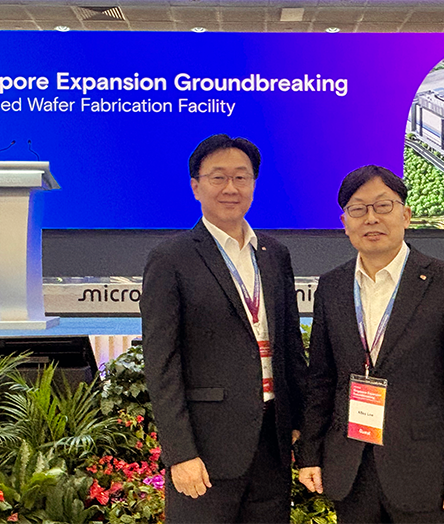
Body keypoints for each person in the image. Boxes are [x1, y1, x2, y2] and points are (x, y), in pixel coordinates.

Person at [296, 165, 444, 524]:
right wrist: (310, 453)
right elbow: (321, 380)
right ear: (345, 222)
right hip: (351, 469)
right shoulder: (332, 286)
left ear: (406, 215)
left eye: (383, 206)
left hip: (425, 473)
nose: (371, 218)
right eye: (358, 209)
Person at [140, 134, 306, 524]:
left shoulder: (274, 254)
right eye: (218, 177)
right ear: (196, 186)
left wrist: (298, 421)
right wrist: (180, 453)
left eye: (241, 177)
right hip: (206, 449)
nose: (231, 188)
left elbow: (289, 345)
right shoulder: (171, 258)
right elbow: (161, 363)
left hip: (272, 442)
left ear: (253, 185)